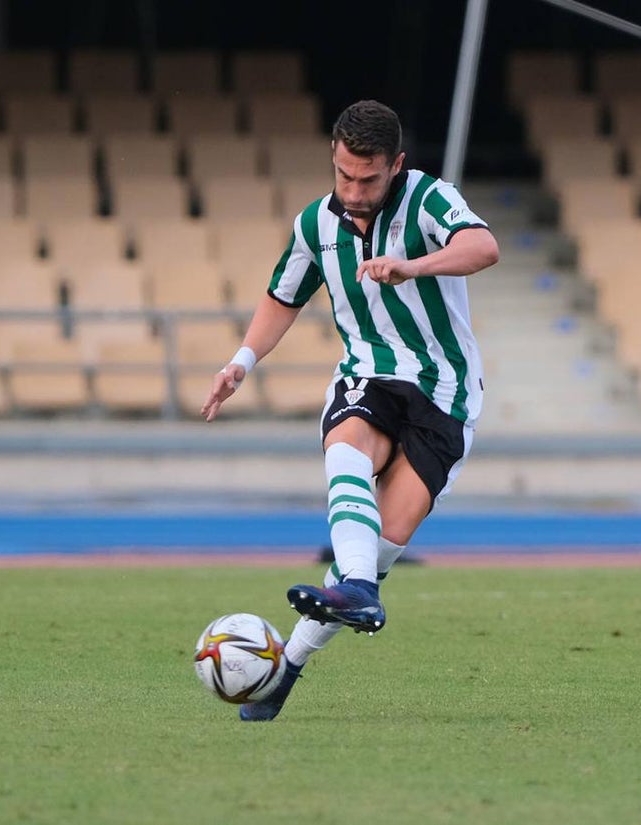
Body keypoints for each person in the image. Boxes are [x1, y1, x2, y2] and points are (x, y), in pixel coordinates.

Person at [200, 99, 499, 721]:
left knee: (378, 547)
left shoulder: (429, 198)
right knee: (347, 445)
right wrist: (242, 362)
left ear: (396, 165)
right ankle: (358, 589)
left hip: (446, 393)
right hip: (369, 375)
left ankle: (286, 669)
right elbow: (282, 297)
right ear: (333, 160)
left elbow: (483, 246)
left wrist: (411, 266)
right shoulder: (315, 224)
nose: (355, 191)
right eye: (344, 176)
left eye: (369, 179)